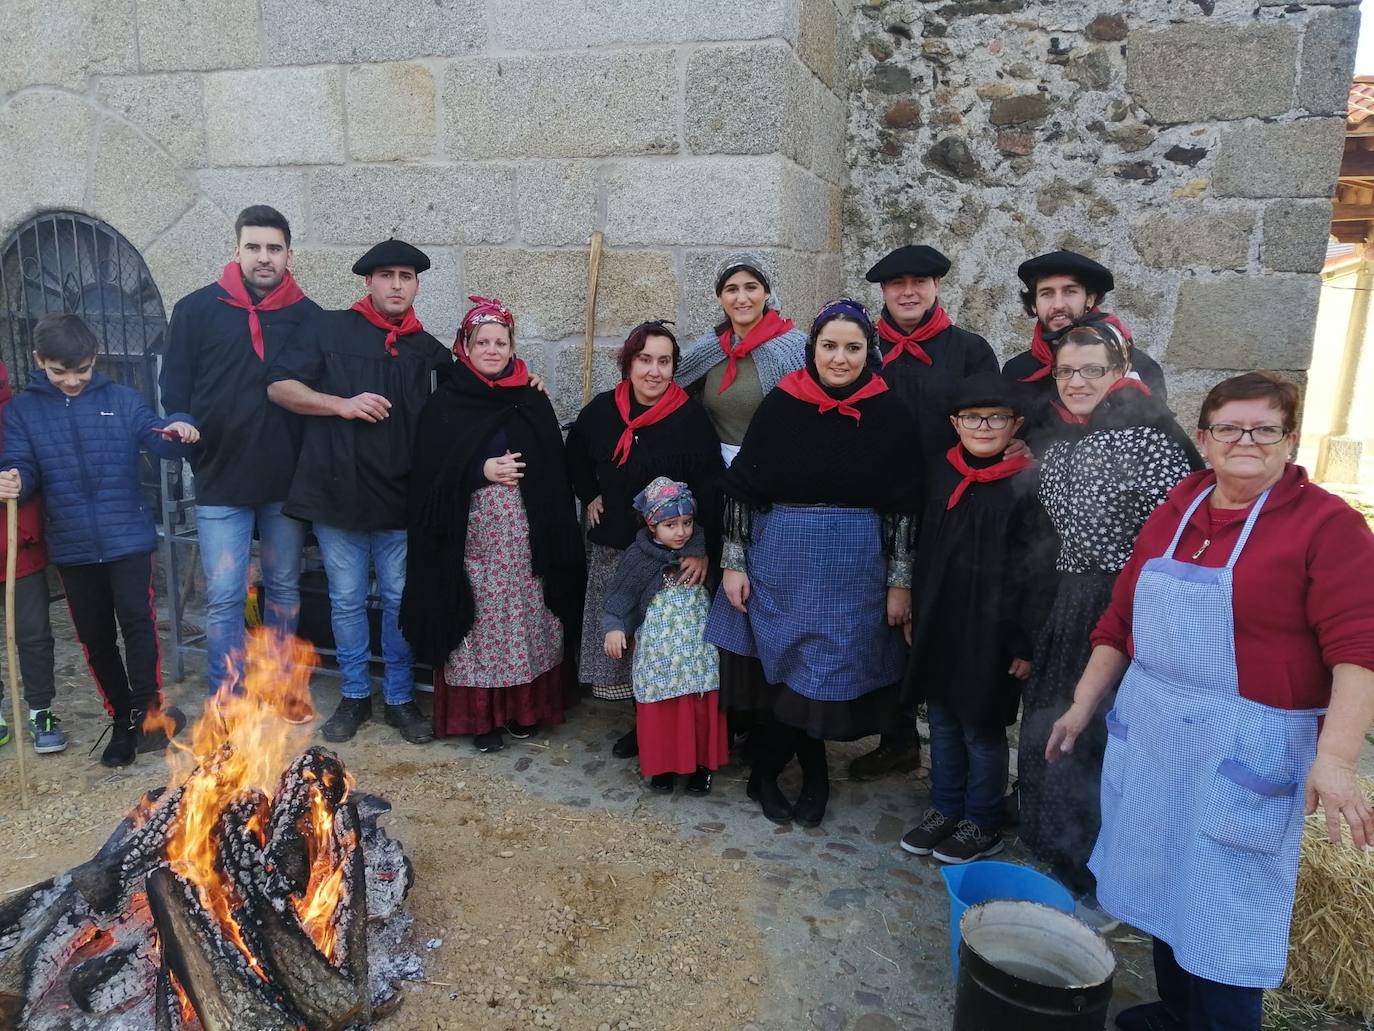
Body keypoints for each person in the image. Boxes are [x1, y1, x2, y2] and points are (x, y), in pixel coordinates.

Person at [1047, 372, 1374, 1031]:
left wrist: (1336, 759)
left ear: (1289, 439)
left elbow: (1359, 650)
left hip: (1244, 741)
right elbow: (1121, 617)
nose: (1244, 441)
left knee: (1223, 903)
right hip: (1159, 727)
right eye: (1228, 427)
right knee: (1165, 878)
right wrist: (1083, 702)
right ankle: (1175, 1011)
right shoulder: (1181, 506)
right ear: (1204, 437)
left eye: (1263, 428)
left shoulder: (1326, 524)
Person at [705, 299, 923, 828]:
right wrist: (734, 563)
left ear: (869, 352)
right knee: (784, 670)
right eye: (830, 346)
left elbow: (903, 507)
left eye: (853, 348)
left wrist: (900, 582)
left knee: (824, 673)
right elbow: (742, 491)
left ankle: (787, 770)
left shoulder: (889, 413)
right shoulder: (781, 404)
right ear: (813, 349)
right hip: (779, 563)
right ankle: (791, 772)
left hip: (854, 573)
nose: (841, 358)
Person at [1016, 320, 1202, 930]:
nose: (1076, 382)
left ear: (1121, 371)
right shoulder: (1064, 439)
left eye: (1091, 370)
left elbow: (1179, 537)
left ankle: (1103, 881)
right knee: (1058, 727)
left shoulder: (1154, 436)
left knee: (1104, 745)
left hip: (1128, 608)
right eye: (1066, 371)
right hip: (1071, 600)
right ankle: (1057, 854)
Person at [267, 239, 451, 745]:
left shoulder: (424, 347)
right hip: (338, 493)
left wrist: (528, 381)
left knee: (397, 600)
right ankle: (353, 695)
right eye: (387, 275)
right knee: (346, 601)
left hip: (399, 498)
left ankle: (398, 698)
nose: (397, 284)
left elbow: (477, 386)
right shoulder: (328, 328)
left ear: (416, 285)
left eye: (406, 276)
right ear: (368, 282)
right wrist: (340, 404)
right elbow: (280, 387)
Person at [0, 314, 197, 766]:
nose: (71, 381)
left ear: (95, 360)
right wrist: (11, 479)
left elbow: (159, 435)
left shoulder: (122, 399)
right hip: (71, 544)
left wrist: (180, 427)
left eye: (82, 370)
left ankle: (148, 718)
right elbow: (21, 466)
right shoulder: (23, 411)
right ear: (38, 361)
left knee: (138, 624)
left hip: (126, 537)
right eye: (59, 371)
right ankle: (122, 717)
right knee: (95, 636)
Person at [401, 297, 585, 753]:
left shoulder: (530, 397)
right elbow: (428, 473)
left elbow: (553, 465)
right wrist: (481, 471)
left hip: (528, 539)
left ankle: (524, 712)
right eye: (481, 341)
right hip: (470, 542)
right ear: (464, 345)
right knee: (479, 626)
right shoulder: (446, 401)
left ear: (512, 345)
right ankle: (483, 718)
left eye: (500, 341)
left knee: (528, 619)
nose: (491, 349)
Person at [851, 244, 1001, 782]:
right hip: (877, 505)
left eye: (919, 282)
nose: (908, 292)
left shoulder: (968, 350)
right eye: (896, 285)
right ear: (884, 293)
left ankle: (954, 748)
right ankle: (895, 737)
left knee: (931, 617)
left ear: (936, 287)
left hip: (948, 507)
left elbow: (992, 423)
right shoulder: (863, 350)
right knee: (883, 616)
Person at [159, 205, 318, 695]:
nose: (264, 257)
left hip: (284, 481)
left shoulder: (309, 317)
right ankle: (228, 695)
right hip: (220, 478)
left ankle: (277, 686)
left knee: (286, 589)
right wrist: (181, 421)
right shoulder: (195, 309)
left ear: (289, 254)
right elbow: (176, 384)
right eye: (254, 247)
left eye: (274, 248)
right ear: (237, 250)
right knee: (227, 596)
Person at [898, 373, 1053, 864]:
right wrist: (918, 612)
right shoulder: (943, 475)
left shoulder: (1028, 484)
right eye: (972, 418)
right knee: (942, 717)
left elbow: (1037, 571)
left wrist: (1025, 643)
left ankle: (981, 821)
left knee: (980, 726)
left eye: (996, 418)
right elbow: (926, 552)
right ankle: (945, 808)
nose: (983, 426)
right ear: (955, 423)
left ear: (1016, 425)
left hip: (993, 632)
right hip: (942, 622)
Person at [565, 322, 722, 757]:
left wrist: (699, 549)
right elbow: (574, 452)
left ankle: (662, 731)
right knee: (626, 636)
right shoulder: (603, 410)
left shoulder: (690, 419)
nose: (654, 371)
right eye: (645, 360)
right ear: (629, 363)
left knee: (662, 645)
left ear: (675, 367)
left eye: (664, 361)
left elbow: (709, 490)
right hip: (617, 549)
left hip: (670, 562)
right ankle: (642, 721)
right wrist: (589, 493)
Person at [674, 252, 807, 763]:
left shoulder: (793, 347)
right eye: (732, 288)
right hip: (717, 480)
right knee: (718, 592)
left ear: (767, 292)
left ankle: (770, 712)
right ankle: (727, 708)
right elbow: (667, 389)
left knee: (761, 588)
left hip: (772, 482)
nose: (742, 297)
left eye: (752, 286)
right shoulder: (709, 348)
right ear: (720, 297)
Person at [603, 477, 725, 795]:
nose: (681, 531)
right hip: (659, 656)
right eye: (670, 524)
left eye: (687, 522)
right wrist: (615, 627)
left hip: (697, 654)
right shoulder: (638, 558)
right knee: (662, 708)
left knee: (699, 706)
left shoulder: (700, 553)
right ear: (651, 524)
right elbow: (621, 597)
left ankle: (702, 766)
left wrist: (702, 552)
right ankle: (663, 766)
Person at [1002, 250, 1166, 443]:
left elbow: (1155, 441)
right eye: (1046, 294)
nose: (1059, 304)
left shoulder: (1136, 366)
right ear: (1034, 306)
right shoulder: (1018, 373)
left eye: (1070, 292)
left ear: (1089, 299)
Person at [0, 358, 62, 755]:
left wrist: (19, 479)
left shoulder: (17, 411)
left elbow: (38, 462)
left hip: (16, 540)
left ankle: (41, 709)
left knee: (34, 633)